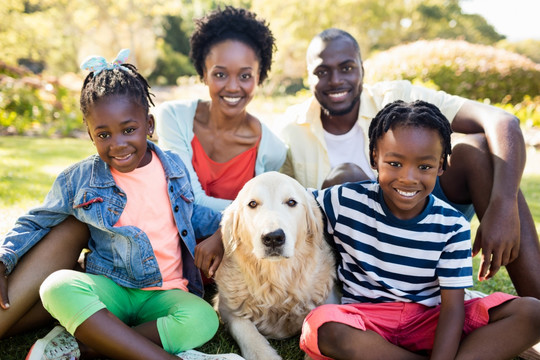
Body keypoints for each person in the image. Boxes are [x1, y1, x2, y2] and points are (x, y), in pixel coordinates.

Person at [0, 49, 242, 360]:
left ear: (149, 124)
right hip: (111, 291)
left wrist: (221, 234)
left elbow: (199, 216)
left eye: (129, 130)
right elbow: (36, 221)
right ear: (90, 135)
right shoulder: (80, 179)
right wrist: (5, 258)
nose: (118, 144)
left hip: (166, 295)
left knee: (204, 318)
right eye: (104, 134)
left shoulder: (173, 169)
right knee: (56, 286)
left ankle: (98, 346)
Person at [279, 28, 540, 298]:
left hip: (422, 223)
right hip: (359, 254)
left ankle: (537, 306)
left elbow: (502, 121)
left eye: (346, 68)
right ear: (307, 76)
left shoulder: (396, 98)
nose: (335, 80)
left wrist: (503, 206)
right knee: (345, 179)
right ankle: (390, 299)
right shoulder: (290, 130)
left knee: (475, 150)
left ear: (362, 68)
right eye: (322, 71)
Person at [299, 100, 540, 360]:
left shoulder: (452, 226)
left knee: (533, 313)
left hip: (429, 321)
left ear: (441, 166)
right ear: (374, 158)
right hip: (367, 324)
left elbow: (452, 310)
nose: (408, 177)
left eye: (424, 167)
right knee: (321, 326)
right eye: (394, 163)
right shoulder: (343, 201)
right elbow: (292, 203)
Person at [155, 6, 286, 213]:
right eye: (220, 75)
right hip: (174, 244)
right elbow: (189, 199)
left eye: (245, 76)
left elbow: (267, 215)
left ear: (259, 77)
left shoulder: (272, 150)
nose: (233, 87)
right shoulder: (173, 118)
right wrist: (252, 208)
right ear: (203, 73)